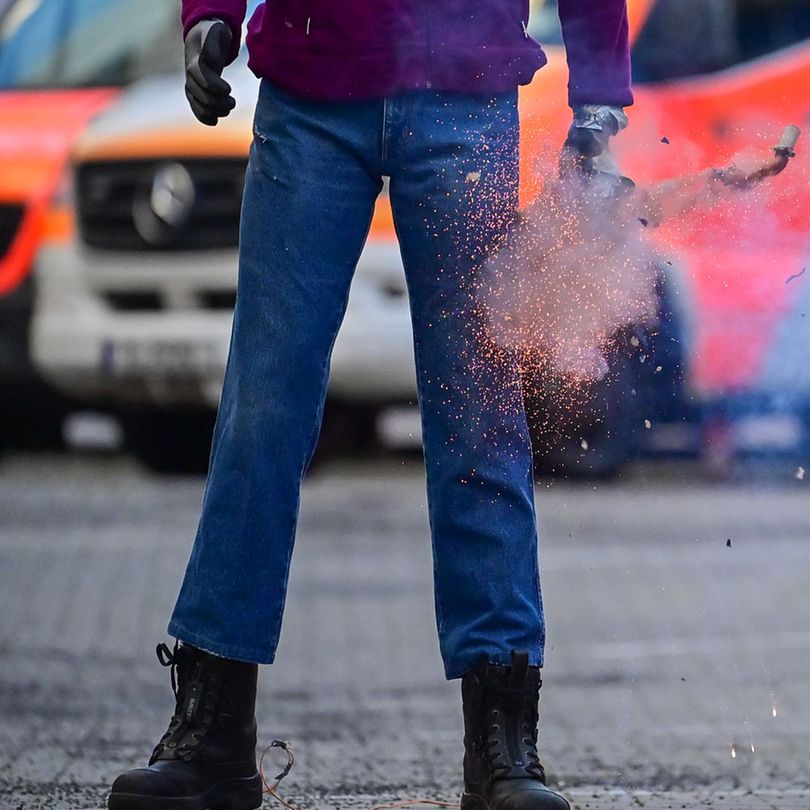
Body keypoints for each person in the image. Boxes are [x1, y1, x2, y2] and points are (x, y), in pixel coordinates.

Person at [106, 2, 631, 809]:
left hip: (463, 95)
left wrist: (599, 90)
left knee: (479, 420)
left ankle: (504, 748)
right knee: (261, 414)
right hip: (314, 91)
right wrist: (208, 14)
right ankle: (213, 738)